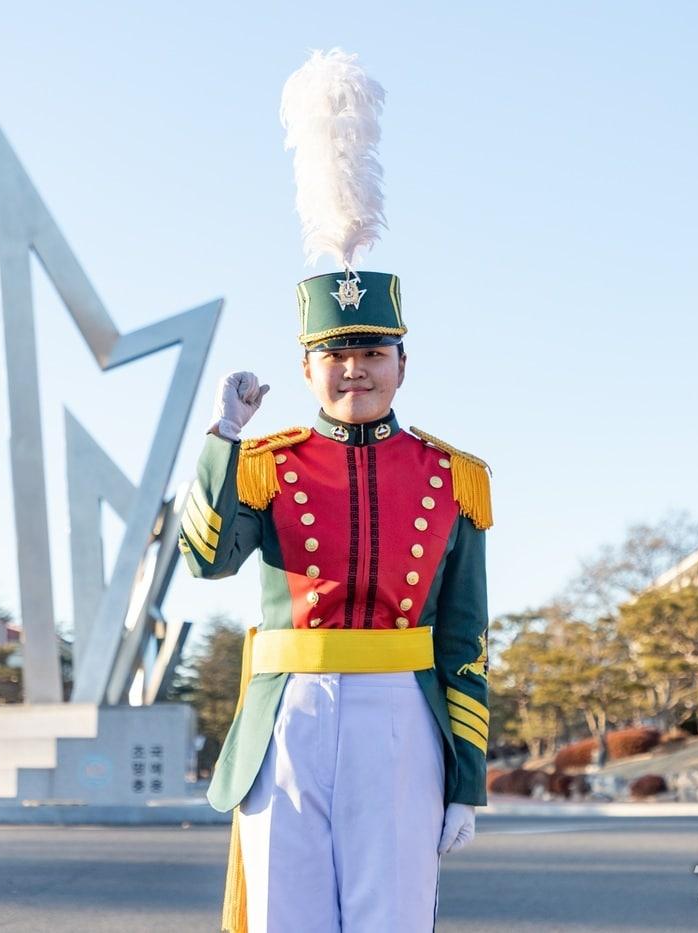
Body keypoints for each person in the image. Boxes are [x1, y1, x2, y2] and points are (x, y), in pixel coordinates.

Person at [177, 48, 492, 933]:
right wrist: (222, 438)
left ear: (402, 361)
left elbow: (464, 632)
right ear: (308, 365)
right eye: (336, 355)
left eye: (372, 353)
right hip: (288, 715)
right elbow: (206, 559)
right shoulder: (266, 460)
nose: (355, 370)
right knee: (286, 915)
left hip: (403, 714)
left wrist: (465, 775)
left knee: (390, 918)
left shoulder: (450, 476)